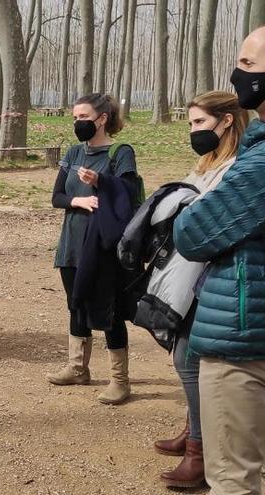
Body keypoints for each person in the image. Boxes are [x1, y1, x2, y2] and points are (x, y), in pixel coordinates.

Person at [173, 26, 265, 495]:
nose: (239, 74)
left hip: (242, 335)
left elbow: (192, 232)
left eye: (249, 64)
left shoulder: (258, 162)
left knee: (234, 479)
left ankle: (197, 447)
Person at [150, 91, 249, 489]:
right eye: (191, 123)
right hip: (191, 274)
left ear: (226, 121)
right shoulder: (209, 162)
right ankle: (194, 430)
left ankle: (201, 452)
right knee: (184, 354)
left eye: (200, 123)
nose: (194, 131)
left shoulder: (239, 166)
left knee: (187, 359)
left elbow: (210, 220)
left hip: (216, 277)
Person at [46, 93, 139, 405]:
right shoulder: (73, 153)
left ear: (102, 119)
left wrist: (100, 181)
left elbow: (128, 192)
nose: (77, 123)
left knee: (108, 310)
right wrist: (78, 200)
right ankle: (77, 368)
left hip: (102, 246)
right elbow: (57, 196)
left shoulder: (120, 152)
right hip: (71, 244)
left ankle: (120, 381)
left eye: (83, 117)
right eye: (74, 118)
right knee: (76, 305)